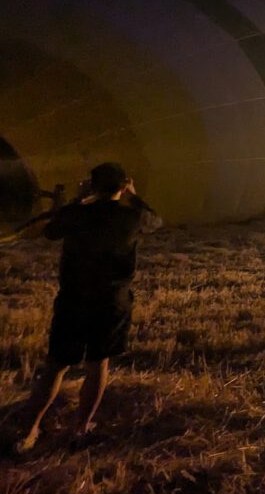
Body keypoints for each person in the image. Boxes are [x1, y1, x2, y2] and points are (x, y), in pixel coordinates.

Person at [16, 162, 161, 452]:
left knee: (56, 366)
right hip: (111, 302)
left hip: (73, 299)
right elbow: (156, 219)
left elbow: (50, 231)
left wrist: (78, 199)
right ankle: (80, 428)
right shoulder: (133, 218)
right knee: (98, 364)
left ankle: (29, 433)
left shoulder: (76, 215)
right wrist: (133, 195)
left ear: (91, 186)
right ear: (123, 185)